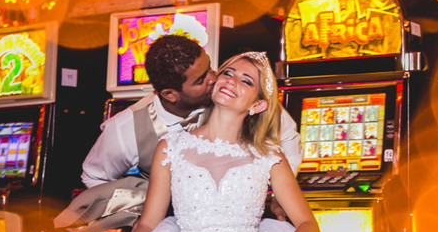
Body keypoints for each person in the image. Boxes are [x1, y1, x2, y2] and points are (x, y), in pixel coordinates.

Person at [71, 51, 346, 232]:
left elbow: (308, 225)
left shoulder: (268, 155)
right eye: (228, 73)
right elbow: (149, 223)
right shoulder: (171, 146)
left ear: (258, 104)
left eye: (246, 81)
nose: (231, 81)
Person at [82, 35, 303, 187]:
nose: (214, 78)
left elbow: (288, 137)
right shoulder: (126, 128)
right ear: (170, 94)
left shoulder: (230, 97)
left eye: (209, 67)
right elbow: (94, 177)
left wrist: (280, 192)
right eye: (200, 80)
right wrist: (136, 207)